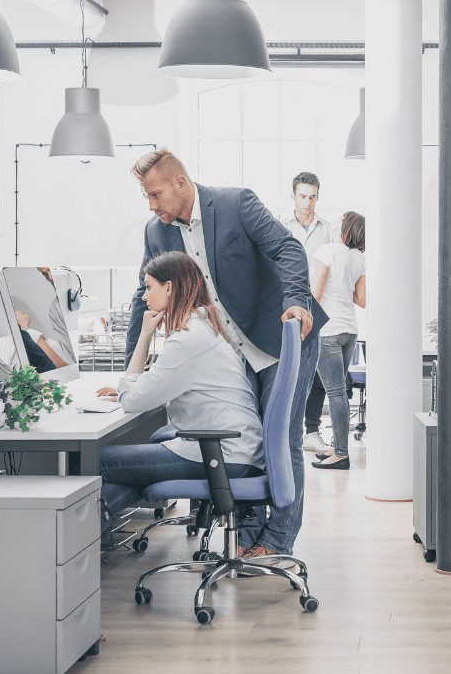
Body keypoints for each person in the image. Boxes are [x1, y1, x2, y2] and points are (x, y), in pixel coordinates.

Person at [117, 148, 324, 562]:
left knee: (280, 437)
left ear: (180, 183)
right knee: (247, 441)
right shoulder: (156, 232)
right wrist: (129, 371)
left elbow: (289, 251)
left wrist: (298, 300)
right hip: (233, 351)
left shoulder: (235, 203)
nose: (152, 204)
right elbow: (144, 302)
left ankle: (280, 536)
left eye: (156, 194)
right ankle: (245, 535)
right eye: (147, 197)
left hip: (280, 333)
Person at [98, 251, 264, 524]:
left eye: (149, 287)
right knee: (133, 461)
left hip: (223, 456)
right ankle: (94, 530)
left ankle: (89, 534)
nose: (143, 297)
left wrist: (144, 335)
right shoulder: (203, 326)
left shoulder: (188, 338)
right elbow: (159, 384)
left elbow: (132, 401)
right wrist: (138, 387)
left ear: (169, 287)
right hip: (237, 449)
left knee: (97, 461)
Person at [280, 172, 336, 456]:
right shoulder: (280, 226)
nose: (308, 202)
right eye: (302, 196)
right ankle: (284, 429)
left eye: (312, 196)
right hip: (288, 307)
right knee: (286, 368)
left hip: (319, 308)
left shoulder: (327, 230)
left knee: (317, 374)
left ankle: (312, 431)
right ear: (293, 195)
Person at [309, 212, 366, 470]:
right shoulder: (358, 257)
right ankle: (337, 446)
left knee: (335, 393)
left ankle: (341, 453)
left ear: (346, 227)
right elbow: (361, 299)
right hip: (349, 331)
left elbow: (314, 296)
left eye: (340, 219)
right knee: (338, 392)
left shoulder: (327, 250)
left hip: (328, 331)